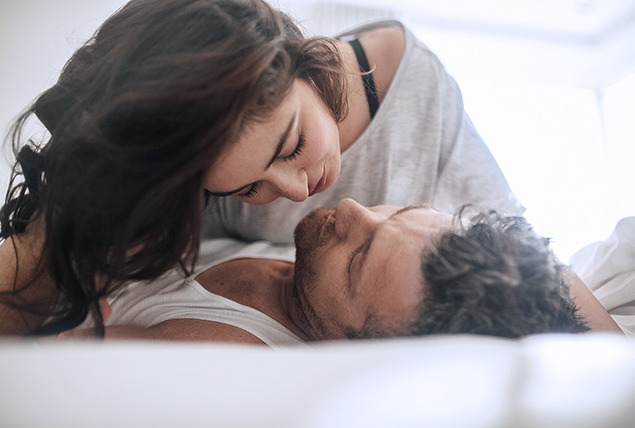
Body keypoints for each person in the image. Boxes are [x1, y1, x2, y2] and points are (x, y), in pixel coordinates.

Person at [0, 0, 522, 335]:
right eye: (248, 187)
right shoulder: (181, 162)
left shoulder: (415, 94)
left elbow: (534, 268)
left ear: (300, 63)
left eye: (292, 146)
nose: (297, 193)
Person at [62, 200, 622, 345]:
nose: (354, 208)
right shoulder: (321, 286)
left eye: (358, 258)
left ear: (353, 347)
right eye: (396, 212)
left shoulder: (214, 349)